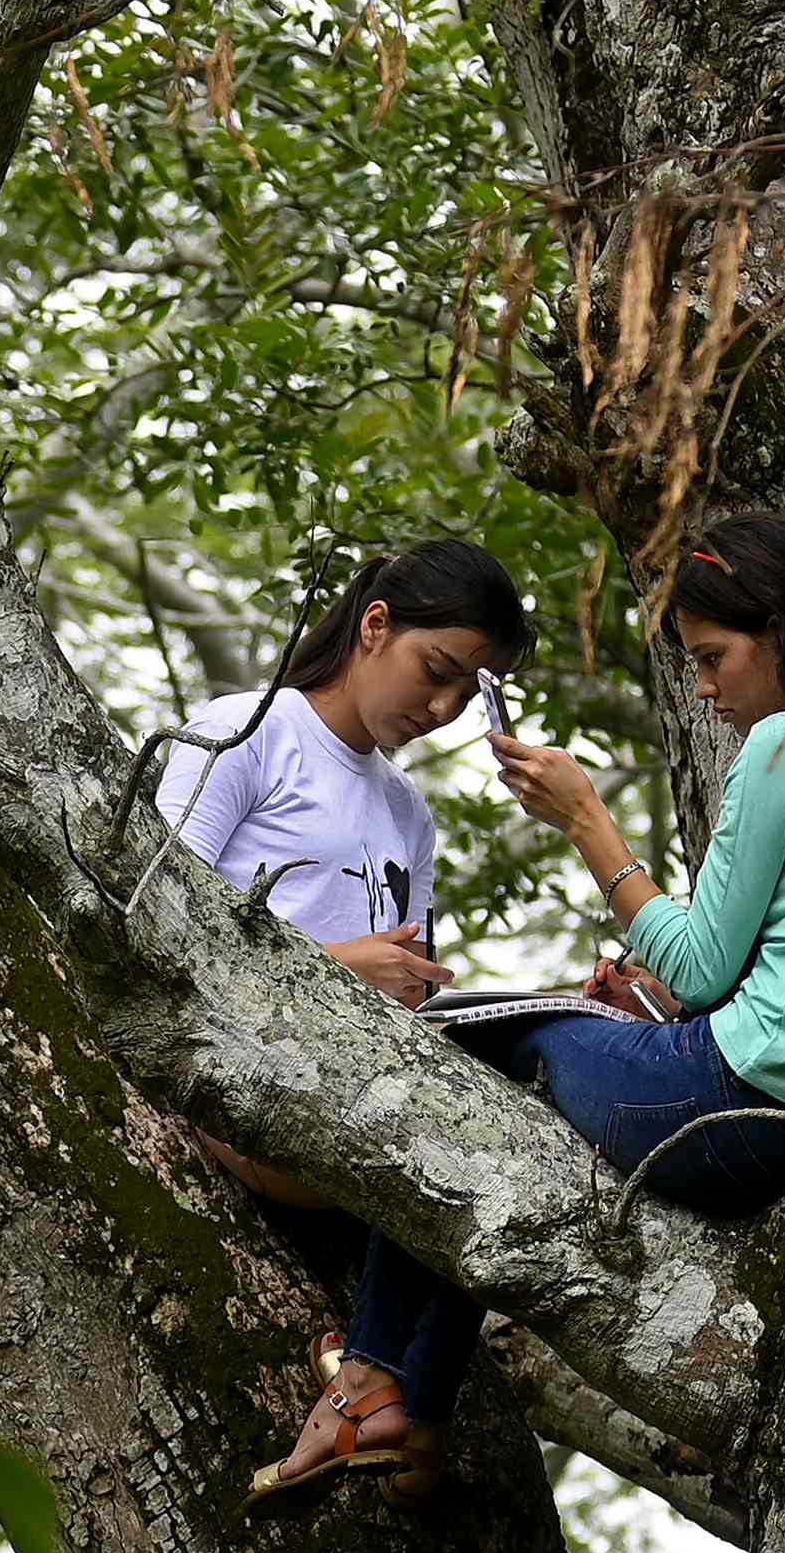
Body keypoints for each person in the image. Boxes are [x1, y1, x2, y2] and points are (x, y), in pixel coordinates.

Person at [250, 507, 785, 1505]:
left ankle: (375, 1379)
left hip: (727, 1101)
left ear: (784, 637)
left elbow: (707, 968)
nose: (708, 690)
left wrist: (586, 819)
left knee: (450, 1060)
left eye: (714, 659)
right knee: (509, 1123)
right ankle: (397, 1404)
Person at [154, 537, 541, 1430]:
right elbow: (146, 930)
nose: (440, 708)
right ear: (375, 626)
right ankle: (382, 1388)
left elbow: (411, 994)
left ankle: (402, 1408)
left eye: (462, 694)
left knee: (540, 1066)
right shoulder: (246, 733)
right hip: (248, 1087)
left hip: (366, 1093)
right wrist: (334, 969)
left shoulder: (408, 811)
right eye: (434, 670)